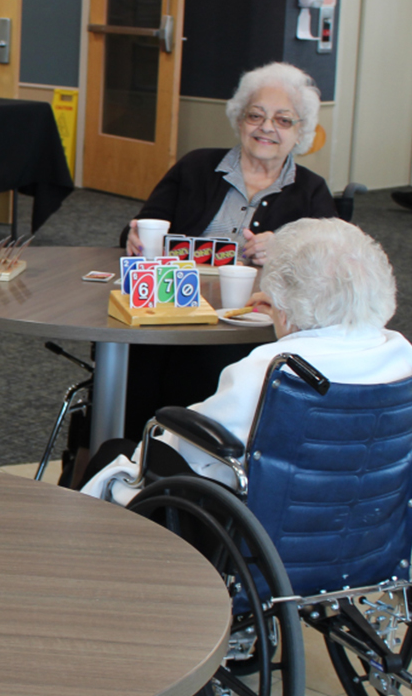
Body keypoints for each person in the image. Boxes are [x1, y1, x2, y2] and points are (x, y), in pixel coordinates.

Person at [81, 218, 412, 505]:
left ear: (284, 307)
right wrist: (284, 313)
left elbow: (187, 449)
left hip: (261, 529)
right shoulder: (401, 354)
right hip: (369, 524)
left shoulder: (273, 371)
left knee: (113, 453)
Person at [118, 62, 339, 444]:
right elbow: (143, 225)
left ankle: (195, 450)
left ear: (300, 132)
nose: (266, 128)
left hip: (251, 324)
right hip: (173, 306)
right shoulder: (196, 166)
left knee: (210, 363)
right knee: (134, 353)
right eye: (256, 115)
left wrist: (284, 248)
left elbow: (332, 263)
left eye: (283, 120)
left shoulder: (311, 190)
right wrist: (134, 236)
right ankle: (135, 448)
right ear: (239, 118)